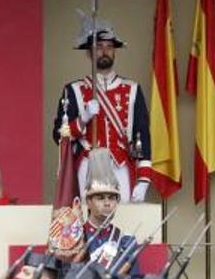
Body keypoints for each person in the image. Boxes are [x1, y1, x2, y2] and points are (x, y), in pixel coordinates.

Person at [51, 22, 151, 204]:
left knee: (124, 220)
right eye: (99, 46)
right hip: (87, 166)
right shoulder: (73, 90)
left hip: (121, 166)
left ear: (115, 52)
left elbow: (142, 135)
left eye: (109, 47)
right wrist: (83, 119)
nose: (104, 51)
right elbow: (59, 136)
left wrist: (144, 178)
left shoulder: (133, 89)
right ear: (89, 52)